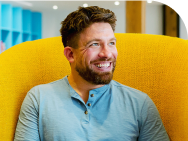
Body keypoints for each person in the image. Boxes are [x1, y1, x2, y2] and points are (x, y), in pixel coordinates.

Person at [14, 6, 170, 141]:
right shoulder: (39, 99)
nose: (107, 53)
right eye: (94, 44)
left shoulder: (140, 104)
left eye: (111, 43)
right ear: (70, 55)